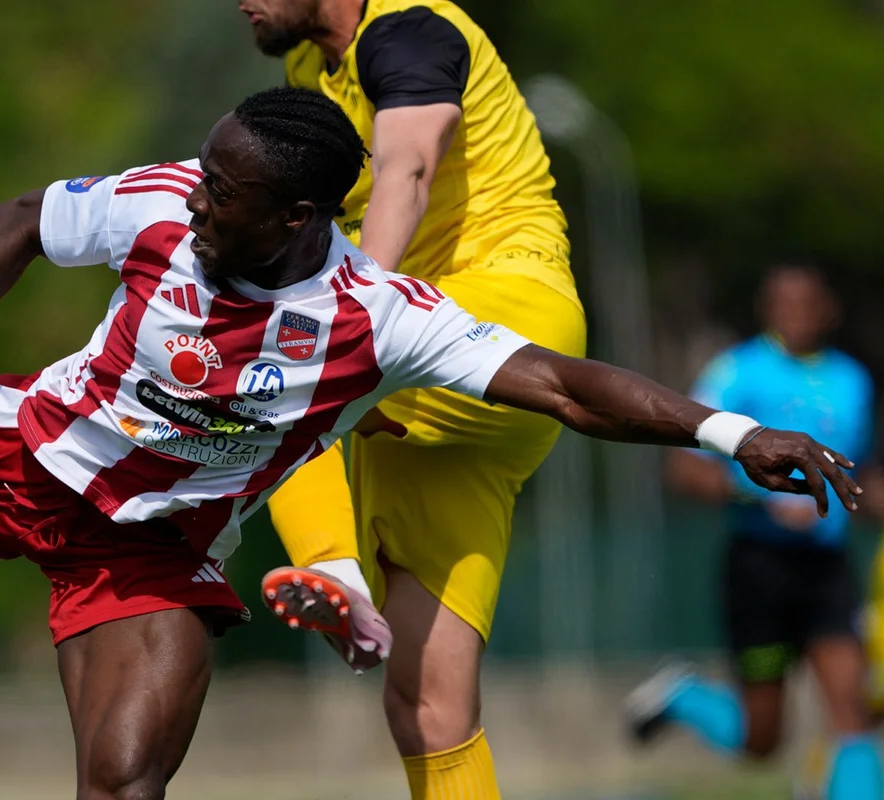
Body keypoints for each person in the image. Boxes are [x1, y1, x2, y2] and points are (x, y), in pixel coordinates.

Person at [0, 88, 860, 800]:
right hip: (20, 451)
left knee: (125, 781)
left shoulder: (376, 315)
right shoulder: (161, 206)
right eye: (207, 175)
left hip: (151, 550)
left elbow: (561, 383)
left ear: (300, 216)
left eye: (226, 193)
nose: (199, 199)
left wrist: (734, 431)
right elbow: (25, 219)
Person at [239, 0, 586, 794]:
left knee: (278, 379)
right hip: (416, 393)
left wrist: (354, 312)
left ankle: (335, 569)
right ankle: (342, 577)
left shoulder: (409, 31)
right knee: (427, 706)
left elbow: (407, 167)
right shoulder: (305, 71)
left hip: (504, 310)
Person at [625, 266, 882, 800]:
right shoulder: (736, 372)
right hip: (758, 573)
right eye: (780, 305)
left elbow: (859, 477)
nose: (793, 315)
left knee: (851, 714)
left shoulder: (853, 380)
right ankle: (686, 695)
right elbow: (684, 470)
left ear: (827, 309)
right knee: (762, 740)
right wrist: (762, 497)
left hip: (827, 571)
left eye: (804, 304)